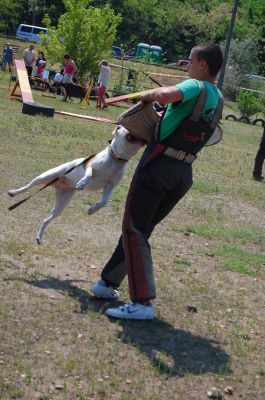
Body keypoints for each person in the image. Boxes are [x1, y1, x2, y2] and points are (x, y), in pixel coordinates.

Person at [90, 42, 224, 320]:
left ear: (203, 65)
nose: (187, 66)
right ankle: (107, 283)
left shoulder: (194, 86)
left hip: (159, 166)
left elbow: (164, 94)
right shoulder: (217, 97)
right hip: (183, 173)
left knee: (133, 228)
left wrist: (150, 94)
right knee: (139, 230)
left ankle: (142, 302)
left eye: (190, 61)